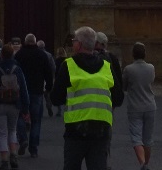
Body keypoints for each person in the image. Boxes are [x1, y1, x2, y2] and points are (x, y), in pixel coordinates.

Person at [50, 25, 124, 170]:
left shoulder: (69, 65)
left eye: (74, 40)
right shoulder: (106, 67)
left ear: (79, 45)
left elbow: (55, 98)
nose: (72, 42)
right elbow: (119, 98)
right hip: (101, 130)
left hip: (76, 131)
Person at [0, 42, 31, 170]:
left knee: (2, 134)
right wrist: (26, 108)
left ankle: (4, 161)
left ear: (1, 55)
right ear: (12, 55)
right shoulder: (17, 69)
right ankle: (14, 156)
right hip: (15, 104)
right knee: (12, 131)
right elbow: (24, 89)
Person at [15, 32, 53, 157]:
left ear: (25, 42)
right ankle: (34, 149)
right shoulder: (42, 55)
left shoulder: (19, 55)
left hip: (21, 91)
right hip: (37, 91)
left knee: (19, 116)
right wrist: (48, 87)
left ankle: (23, 139)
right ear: (35, 42)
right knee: (36, 121)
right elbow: (48, 73)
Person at [122, 42, 156, 170]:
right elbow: (151, 80)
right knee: (148, 139)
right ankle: (146, 164)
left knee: (136, 137)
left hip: (135, 106)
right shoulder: (151, 68)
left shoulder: (128, 69)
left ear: (133, 54)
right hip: (150, 105)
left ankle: (142, 164)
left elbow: (124, 86)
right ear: (144, 53)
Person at [94, 33, 123, 170]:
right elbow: (118, 82)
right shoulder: (112, 58)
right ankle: (103, 162)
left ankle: (97, 161)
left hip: (95, 100)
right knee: (106, 131)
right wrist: (116, 101)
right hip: (108, 101)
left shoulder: (91, 58)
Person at [37, 39, 56, 116]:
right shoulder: (49, 55)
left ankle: (40, 110)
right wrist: (52, 75)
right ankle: (49, 106)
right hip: (48, 76)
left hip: (39, 77)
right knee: (47, 94)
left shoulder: (37, 55)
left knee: (39, 94)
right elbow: (53, 67)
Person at [53, 47, 67, 117]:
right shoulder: (67, 60)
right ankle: (66, 108)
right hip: (66, 79)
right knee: (66, 94)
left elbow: (54, 70)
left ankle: (59, 110)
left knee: (58, 94)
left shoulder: (56, 61)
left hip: (58, 78)